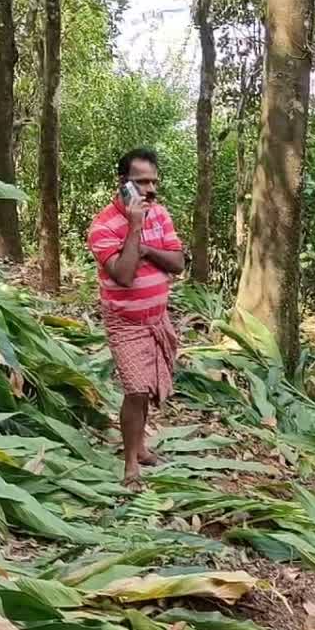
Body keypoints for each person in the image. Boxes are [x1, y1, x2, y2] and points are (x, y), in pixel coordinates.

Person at [88, 148, 185, 486]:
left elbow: (177, 262)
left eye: (153, 181)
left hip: (157, 318)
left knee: (146, 390)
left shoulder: (160, 214)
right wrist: (134, 229)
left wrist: (146, 248)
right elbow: (124, 275)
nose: (150, 189)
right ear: (123, 183)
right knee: (136, 390)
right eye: (141, 182)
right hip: (125, 322)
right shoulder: (103, 227)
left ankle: (141, 448)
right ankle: (131, 466)